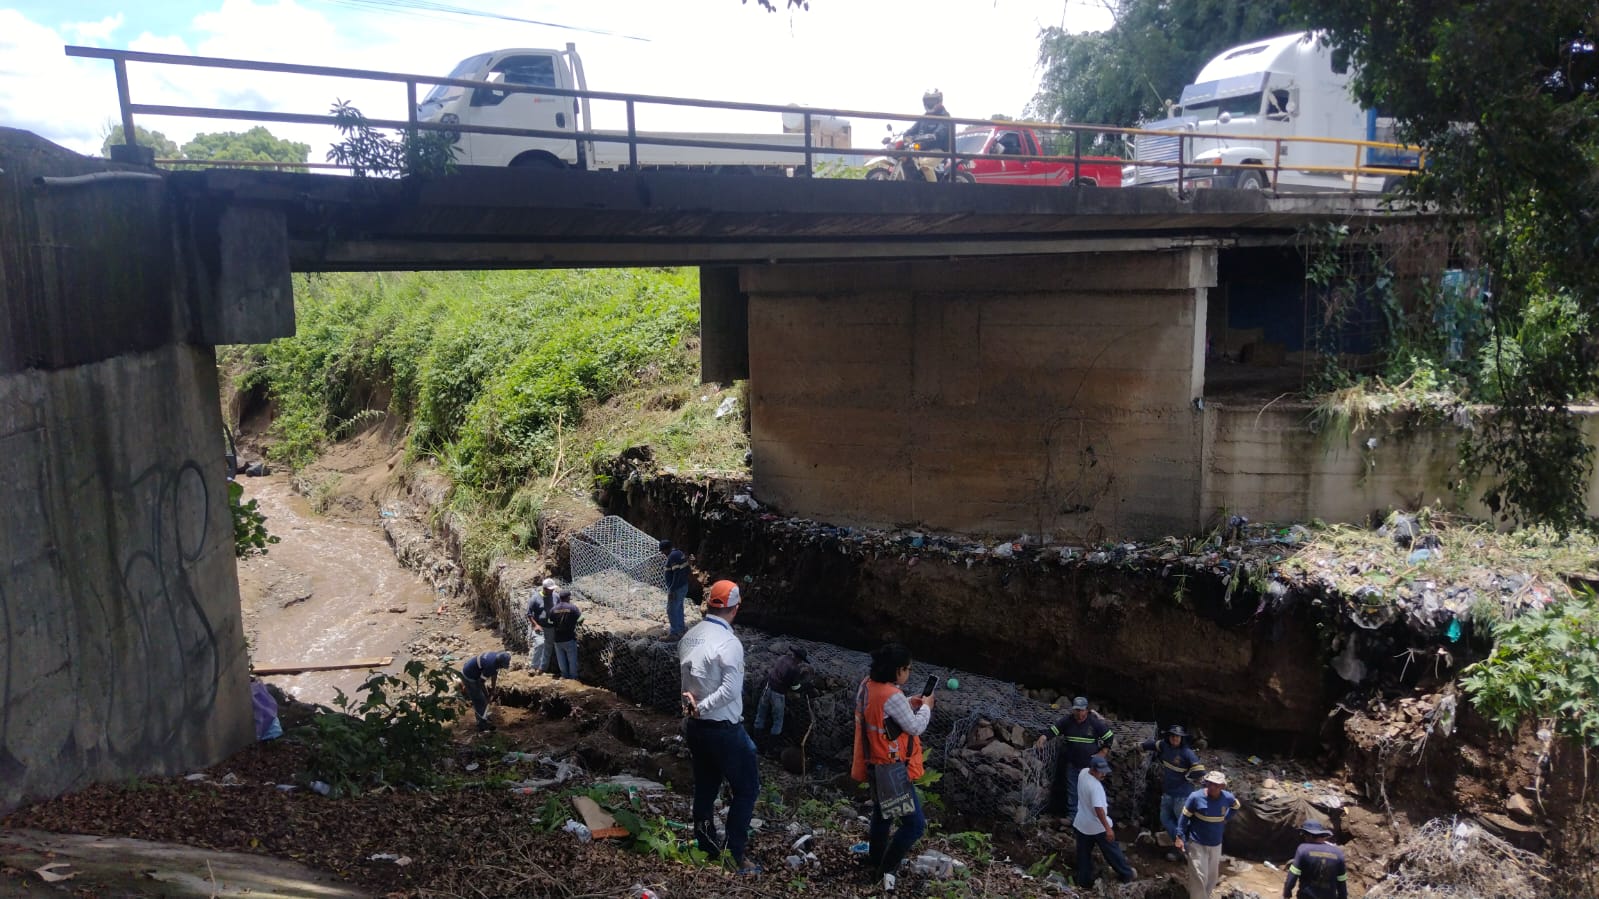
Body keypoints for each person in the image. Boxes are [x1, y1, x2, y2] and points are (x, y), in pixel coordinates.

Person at [679, 579, 760, 875]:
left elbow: (688, 680)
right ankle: (734, 855)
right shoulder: (729, 644)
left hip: (695, 728)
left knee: (705, 788)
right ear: (735, 608)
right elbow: (730, 691)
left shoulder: (691, 635)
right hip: (723, 729)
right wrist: (702, 707)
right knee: (747, 789)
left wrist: (693, 709)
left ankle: (704, 845)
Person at [850, 643, 933, 894]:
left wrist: (910, 702)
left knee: (882, 815)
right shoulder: (891, 695)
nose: (908, 674)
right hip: (891, 769)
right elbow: (915, 728)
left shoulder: (867, 685)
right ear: (897, 671)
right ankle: (886, 869)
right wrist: (927, 706)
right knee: (914, 824)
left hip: (873, 763)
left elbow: (883, 713)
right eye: (906, 669)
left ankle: (876, 859)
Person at [1037, 696, 1115, 819]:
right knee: (1073, 790)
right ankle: (1073, 817)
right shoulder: (1067, 721)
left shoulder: (1094, 723)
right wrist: (1044, 737)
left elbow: (1109, 737)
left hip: (1089, 765)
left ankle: (1092, 817)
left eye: (1082, 710)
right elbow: (1054, 730)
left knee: (1090, 790)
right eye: (1077, 710)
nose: (1079, 713)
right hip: (1072, 762)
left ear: (1087, 710)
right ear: (1073, 710)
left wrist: (1103, 752)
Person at [1072, 755, 1137, 888]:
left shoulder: (1083, 773)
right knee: (1112, 853)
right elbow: (1098, 810)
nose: (1103, 774)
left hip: (1082, 824)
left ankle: (1083, 882)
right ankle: (1126, 874)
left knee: (1083, 855)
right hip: (1098, 827)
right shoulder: (1095, 787)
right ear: (1093, 769)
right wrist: (1107, 828)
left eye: (1104, 771)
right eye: (1100, 771)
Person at [1139, 724, 1205, 855]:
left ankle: (1184, 850)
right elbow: (1153, 745)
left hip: (1182, 795)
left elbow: (1200, 771)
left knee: (1181, 824)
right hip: (1168, 793)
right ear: (1169, 737)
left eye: (1178, 737)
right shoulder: (1164, 746)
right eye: (1173, 736)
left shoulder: (1187, 753)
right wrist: (1141, 746)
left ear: (1182, 738)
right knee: (1165, 819)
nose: (1175, 739)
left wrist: (1188, 777)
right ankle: (1183, 847)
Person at [1176, 770, 1241, 899]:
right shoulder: (1195, 797)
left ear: (1222, 786)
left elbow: (1236, 806)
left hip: (1216, 844)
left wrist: (1226, 818)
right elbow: (1184, 818)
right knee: (1199, 877)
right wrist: (1179, 837)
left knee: (1212, 877)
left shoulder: (1227, 797)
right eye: (1209, 783)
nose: (1212, 787)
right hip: (1197, 843)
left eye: (1216, 785)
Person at [754, 645, 812, 744]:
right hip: (778, 694)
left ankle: (755, 740)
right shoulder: (795, 669)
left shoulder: (783, 658)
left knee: (761, 714)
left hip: (768, 688)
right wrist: (804, 686)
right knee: (778, 721)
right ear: (800, 659)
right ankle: (771, 747)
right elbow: (794, 687)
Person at [1282, 820, 1348, 899]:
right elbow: (1342, 882)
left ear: (1309, 835)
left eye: (1304, 835)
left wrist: (1287, 893)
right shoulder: (1338, 853)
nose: (1304, 838)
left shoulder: (1303, 849)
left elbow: (1292, 876)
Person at [460, 650, 512, 732]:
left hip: (472, 670)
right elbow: (480, 683)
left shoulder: (496, 657)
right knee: (480, 700)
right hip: (469, 677)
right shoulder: (490, 666)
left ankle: (484, 717)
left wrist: (493, 688)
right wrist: (487, 695)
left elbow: (495, 673)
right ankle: (482, 725)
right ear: (500, 663)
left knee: (482, 699)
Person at [525, 577, 558, 674]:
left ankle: (542, 668)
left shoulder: (556, 596)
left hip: (551, 626)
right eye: (550, 589)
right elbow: (529, 613)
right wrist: (535, 625)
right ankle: (533, 666)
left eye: (553, 589)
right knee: (540, 644)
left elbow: (560, 607)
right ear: (544, 589)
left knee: (548, 647)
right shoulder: (535, 598)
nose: (552, 591)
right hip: (540, 626)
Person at [660, 539, 690, 640]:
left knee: (671, 610)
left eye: (663, 551)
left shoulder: (672, 556)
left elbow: (677, 573)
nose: (663, 554)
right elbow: (686, 569)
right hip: (683, 586)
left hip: (676, 588)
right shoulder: (679, 553)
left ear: (666, 549)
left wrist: (672, 590)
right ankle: (681, 629)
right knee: (679, 607)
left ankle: (674, 633)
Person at [548, 589, 582, 680]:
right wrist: (576, 622)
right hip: (569, 638)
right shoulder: (572, 608)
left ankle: (564, 675)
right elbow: (581, 618)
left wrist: (555, 624)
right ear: (568, 597)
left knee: (561, 659)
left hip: (558, 639)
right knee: (572, 659)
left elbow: (549, 621)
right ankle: (573, 678)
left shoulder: (554, 609)